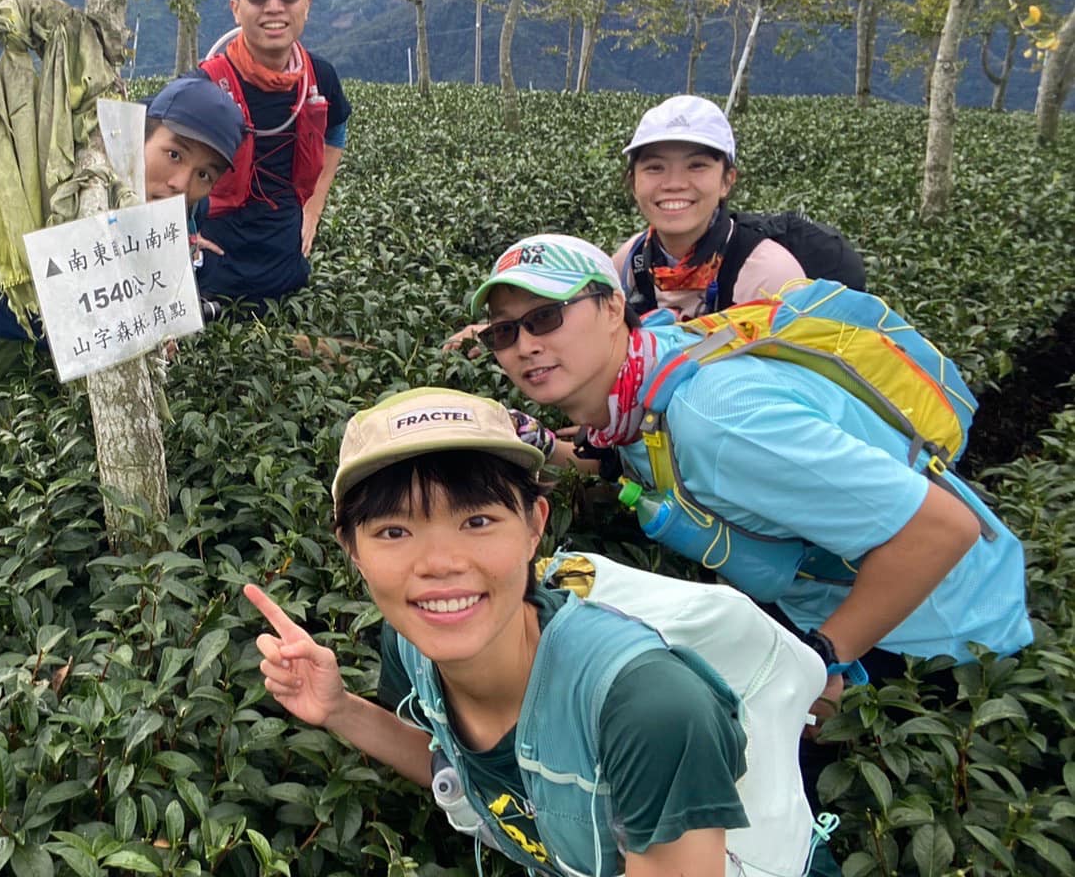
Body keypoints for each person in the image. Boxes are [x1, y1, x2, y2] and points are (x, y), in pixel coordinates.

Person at [244, 387, 831, 876]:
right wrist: (340, 709)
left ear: (534, 528)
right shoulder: (411, 647)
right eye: (394, 532)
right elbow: (460, 769)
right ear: (352, 551)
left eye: (477, 521)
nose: (439, 564)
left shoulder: (649, 709)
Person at [465, 233, 1033, 704]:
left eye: (545, 317)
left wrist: (822, 662)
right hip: (838, 602)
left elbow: (941, 529)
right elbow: (629, 467)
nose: (525, 346)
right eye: (503, 332)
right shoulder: (643, 378)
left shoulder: (718, 422)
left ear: (613, 307)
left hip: (938, 639)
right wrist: (534, 444)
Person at [443, 95, 861, 352]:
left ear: (727, 181)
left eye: (697, 166)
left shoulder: (766, 271)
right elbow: (582, 318)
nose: (674, 183)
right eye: (655, 168)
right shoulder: (632, 259)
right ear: (633, 182)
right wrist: (499, 330)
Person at [0, 75, 243, 378]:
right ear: (138, 134)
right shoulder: (73, 172)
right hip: (17, 344)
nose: (181, 183)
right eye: (173, 154)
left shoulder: (189, 209)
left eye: (204, 175)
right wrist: (28, 154)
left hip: (102, 356)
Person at [192, 0, 352, 306]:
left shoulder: (320, 77)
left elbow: (336, 128)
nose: (274, 6)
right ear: (236, 7)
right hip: (213, 282)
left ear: (307, 3)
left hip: (288, 273)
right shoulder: (203, 87)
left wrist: (313, 208)